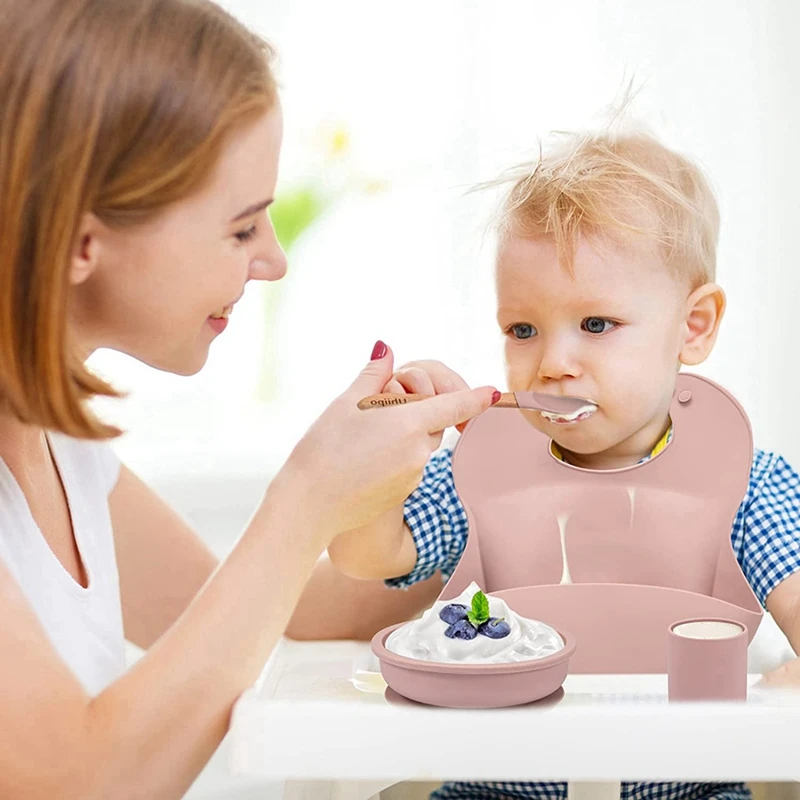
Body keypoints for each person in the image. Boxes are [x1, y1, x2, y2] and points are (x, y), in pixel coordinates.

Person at [0, 1, 501, 796]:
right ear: (80, 242)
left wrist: (482, 515)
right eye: (239, 230)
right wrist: (305, 496)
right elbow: (79, 782)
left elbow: (292, 612)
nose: (272, 262)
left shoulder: (63, 450)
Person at [327, 127, 800, 800]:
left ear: (692, 327)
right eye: (523, 330)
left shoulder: (746, 481)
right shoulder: (479, 472)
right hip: (492, 793)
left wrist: (773, 705)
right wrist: (388, 459)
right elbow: (363, 554)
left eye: (597, 325)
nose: (551, 362)